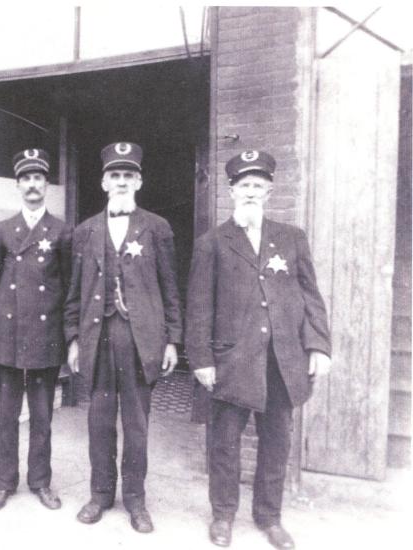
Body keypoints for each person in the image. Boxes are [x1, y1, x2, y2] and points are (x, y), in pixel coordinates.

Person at [185, 150, 332, 549]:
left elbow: (311, 296)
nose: (251, 192)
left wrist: (317, 346)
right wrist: (200, 359)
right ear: (232, 191)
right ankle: (223, 516)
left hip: (282, 361)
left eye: (258, 186)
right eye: (244, 186)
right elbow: (198, 306)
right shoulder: (212, 243)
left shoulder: (291, 238)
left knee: (276, 442)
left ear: (269, 191)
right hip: (231, 360)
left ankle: (269, 516)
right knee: (224, 442)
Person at [64, 142, 182, 533]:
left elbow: (170, 288)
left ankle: (135, 499)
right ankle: (100, 494)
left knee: (136, 424)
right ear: (103, 182)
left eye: (128, 175)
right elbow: (74, 293)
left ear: (139, 181)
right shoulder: (85, 232)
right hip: (97, 338)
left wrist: (171, 340)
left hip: (139, 340)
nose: (121, 182)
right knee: (98, 421)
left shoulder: (156, 228)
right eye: (114, 175)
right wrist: (73, 340)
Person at [0, 149, 72, 512]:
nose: (33, 185)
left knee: (41, 416)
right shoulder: (3, 230)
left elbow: (66, 284)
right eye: (27, 178)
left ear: (46, 185)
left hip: (45, 335)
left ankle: (40, 482)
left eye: (39, 178)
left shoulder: (62, 231)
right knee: (6, 415)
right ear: (18, 185)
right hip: (8, 334)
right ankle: (4, 483)